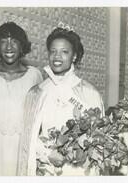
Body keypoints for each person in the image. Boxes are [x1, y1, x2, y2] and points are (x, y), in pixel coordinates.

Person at [17, 24, 105, 176]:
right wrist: (47, 153)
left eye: (64, 52)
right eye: (53, 51)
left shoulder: (90, 93)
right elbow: (27, 137)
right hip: (46, 169)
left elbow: (99, 138)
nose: (57, 57)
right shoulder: (36, 93)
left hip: (78, 171)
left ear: (74, 56)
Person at [0, 22, 43, 176]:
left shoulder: (34, 76)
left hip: (22, 149)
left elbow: (40, 120)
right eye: (3, 41)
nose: (9, 47)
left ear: (22, 47)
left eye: (14, 41)